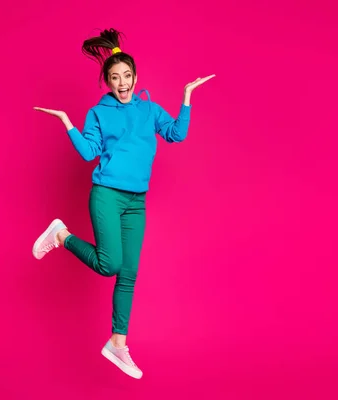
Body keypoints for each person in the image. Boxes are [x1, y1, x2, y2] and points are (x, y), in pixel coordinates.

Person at [31, 28, 214, 379]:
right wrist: (67, 122)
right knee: (109, 263)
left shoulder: (150, 110)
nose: (122, 83)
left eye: (127, 76)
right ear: (108, 83)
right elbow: (88, 152)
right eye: (114, 78)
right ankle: (61, 236)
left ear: (135, 77)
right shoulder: (99, 113)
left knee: (128, 274)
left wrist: (187, 96)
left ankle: (117, 343)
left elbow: (176, 133)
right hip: (107, 195)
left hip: (136, 201)